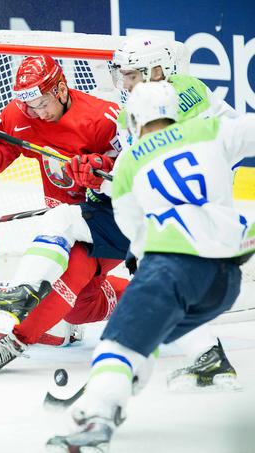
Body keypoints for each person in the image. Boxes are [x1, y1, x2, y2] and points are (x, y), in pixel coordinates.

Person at [46, 81, 255, 453]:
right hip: (226, 279)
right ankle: (124, 384)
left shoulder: (130, 160)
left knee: (117, 341)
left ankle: (99, 415)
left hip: (171, 267)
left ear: (136, 120)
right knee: (153, 332)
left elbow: (134, 233)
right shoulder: (209, 128)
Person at [0, 55, 129, 376]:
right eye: (29, 107)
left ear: (61, 90)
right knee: (79, 308)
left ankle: (14, 343)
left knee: (71, 273)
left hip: (110, 220)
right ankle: (147, 298)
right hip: (62, 225)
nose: (36, 113)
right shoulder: (20, 115)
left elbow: (136, 176)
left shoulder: (103, 119)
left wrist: (101, 171)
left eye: (41, 104)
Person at [108, 34, 241, 390]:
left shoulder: (170, 99)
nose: (125, 83)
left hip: (190, 216)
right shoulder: (179, 90)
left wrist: (112, 176)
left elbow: (145, 162)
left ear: (156, 71)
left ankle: (128, 364)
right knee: (165, 285)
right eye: (122, 75)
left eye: (132, 75)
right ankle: (205, 354)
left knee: (157, 283)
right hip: (204, 215)